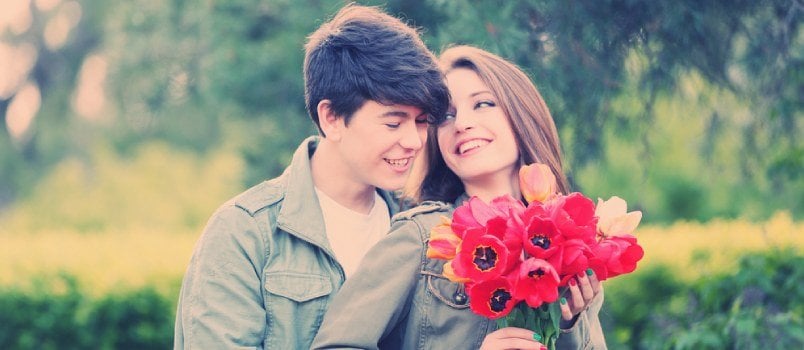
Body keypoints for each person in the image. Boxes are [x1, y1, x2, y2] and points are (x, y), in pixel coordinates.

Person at [173, 4, 449, 349]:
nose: (413, 141)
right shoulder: (246, 232)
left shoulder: (423, 231)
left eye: (421, 121)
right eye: (393, 123)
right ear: (332, 117)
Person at [311, 45, 607, 349]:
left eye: (482, 104)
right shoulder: (422, 238)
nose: (462, 124)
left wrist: (567, 323)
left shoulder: (567, 243)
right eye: (446, 116)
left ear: (522, 113)